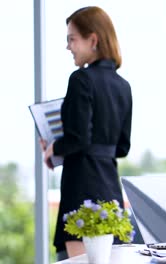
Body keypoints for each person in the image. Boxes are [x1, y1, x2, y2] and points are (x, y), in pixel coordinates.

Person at [40, 6, 132, 260]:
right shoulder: (123, 86)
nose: (68, 47)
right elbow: (122, 147)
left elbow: (79, 138)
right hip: (110, 190)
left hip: (82, 188)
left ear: (93, 40)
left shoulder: (81, 79)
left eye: (72, 39)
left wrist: (53, 148)